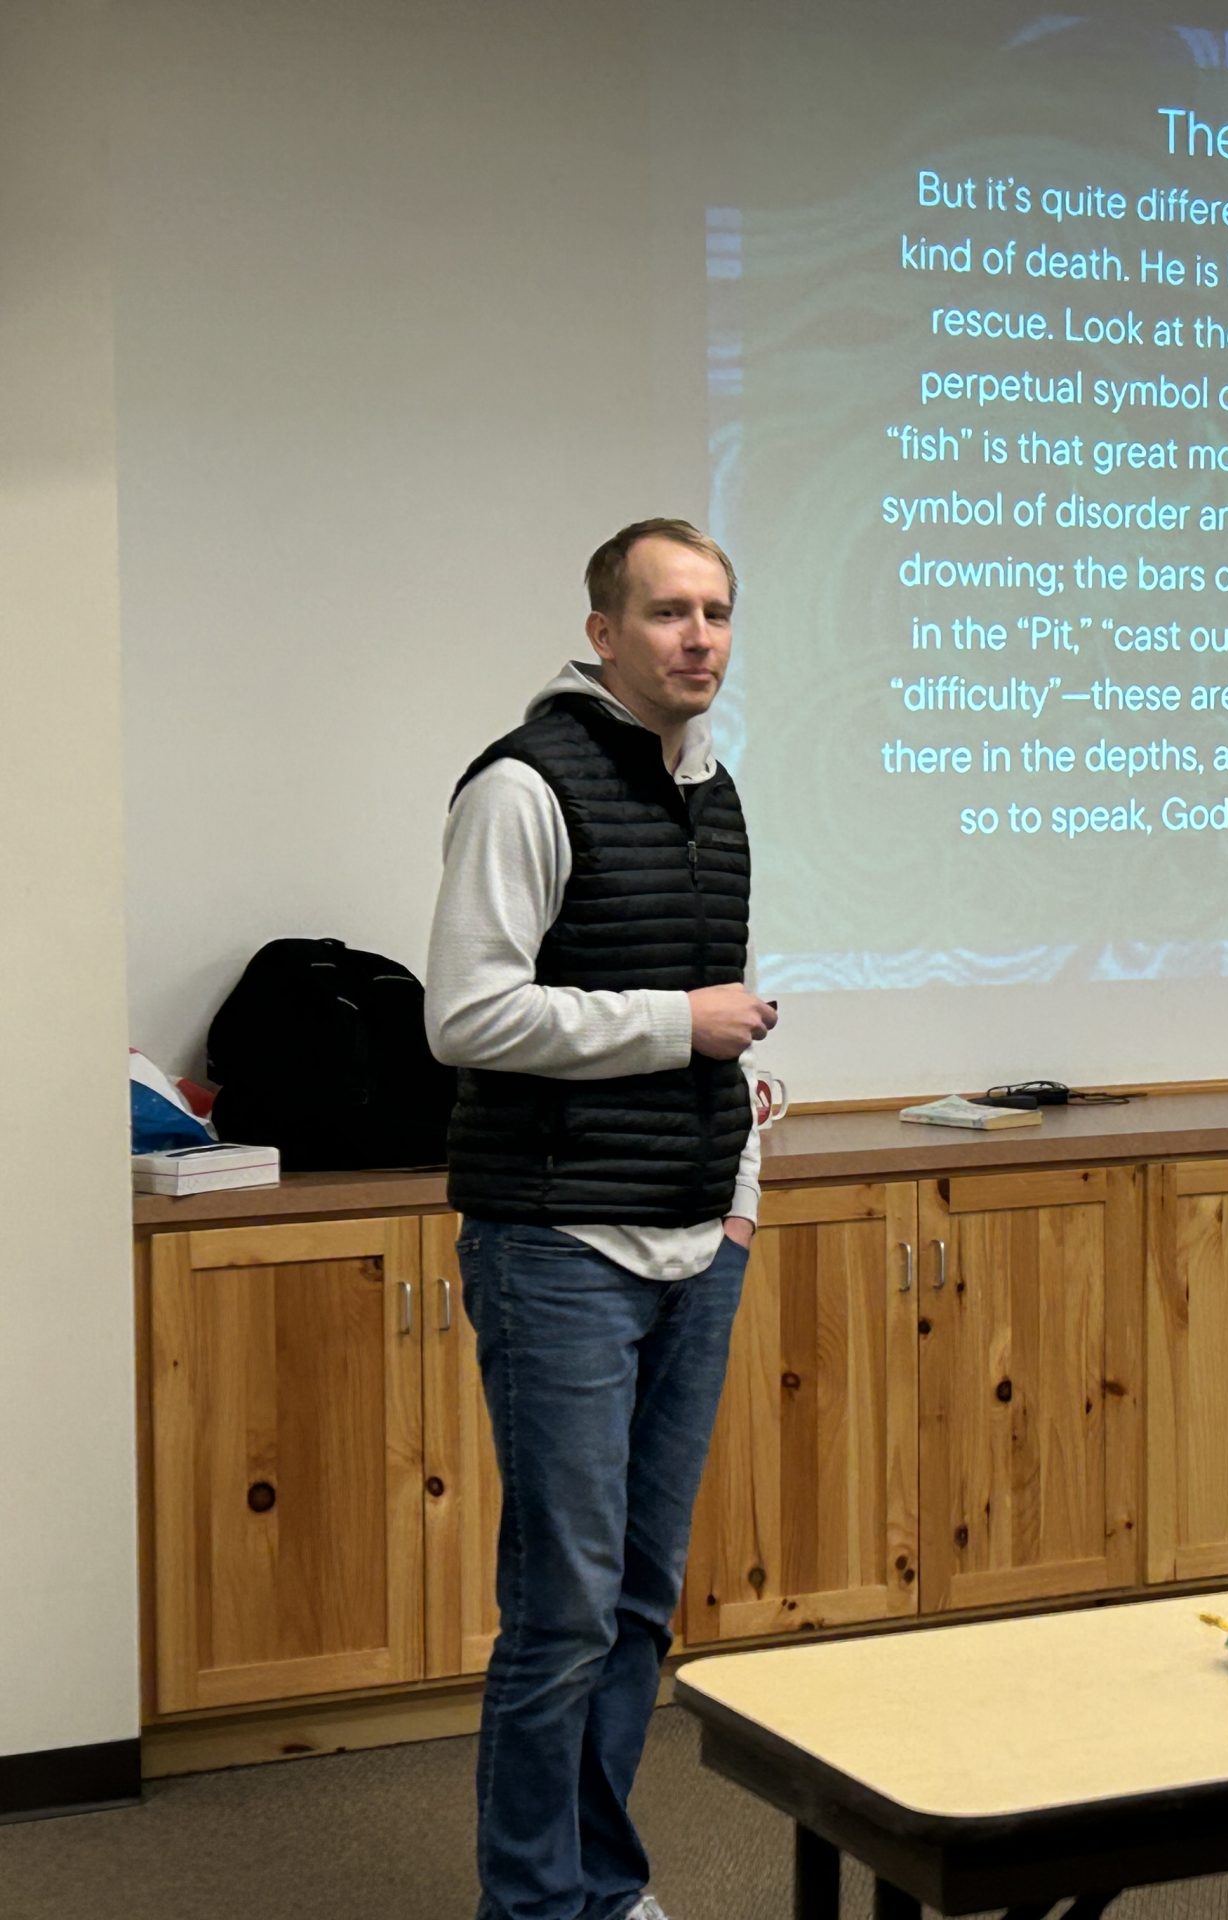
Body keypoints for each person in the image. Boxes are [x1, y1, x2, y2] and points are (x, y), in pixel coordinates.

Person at [426, 518, 777, 1920]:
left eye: (718, 612)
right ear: (603, 632)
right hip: (559, 1244)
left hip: (699, 1245)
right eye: (668, 612)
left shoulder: (718, 793)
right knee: (563, 1610)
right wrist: (671, 1027)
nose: (699, 636)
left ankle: (600, 1885)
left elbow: (734, 1026)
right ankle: (531, 1906)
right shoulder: (524, 785)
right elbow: (466, 1014)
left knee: (639, 1601)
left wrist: (742, 1199)